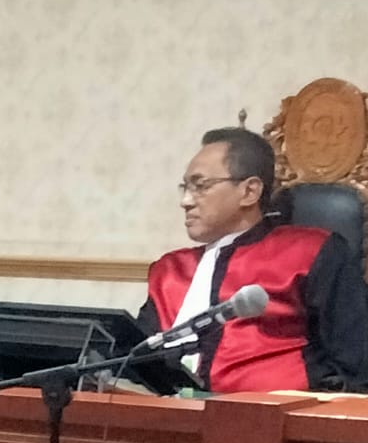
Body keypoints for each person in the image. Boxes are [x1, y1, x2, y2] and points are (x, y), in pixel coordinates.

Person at [136, 127, 367, 393]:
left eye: (200, 186)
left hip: (274, 413)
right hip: (164, 411)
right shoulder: (170, 271)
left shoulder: (311, 252)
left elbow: (357, 363)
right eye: (185, 188)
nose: (186, 201)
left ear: (249, 191)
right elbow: (135, 361)